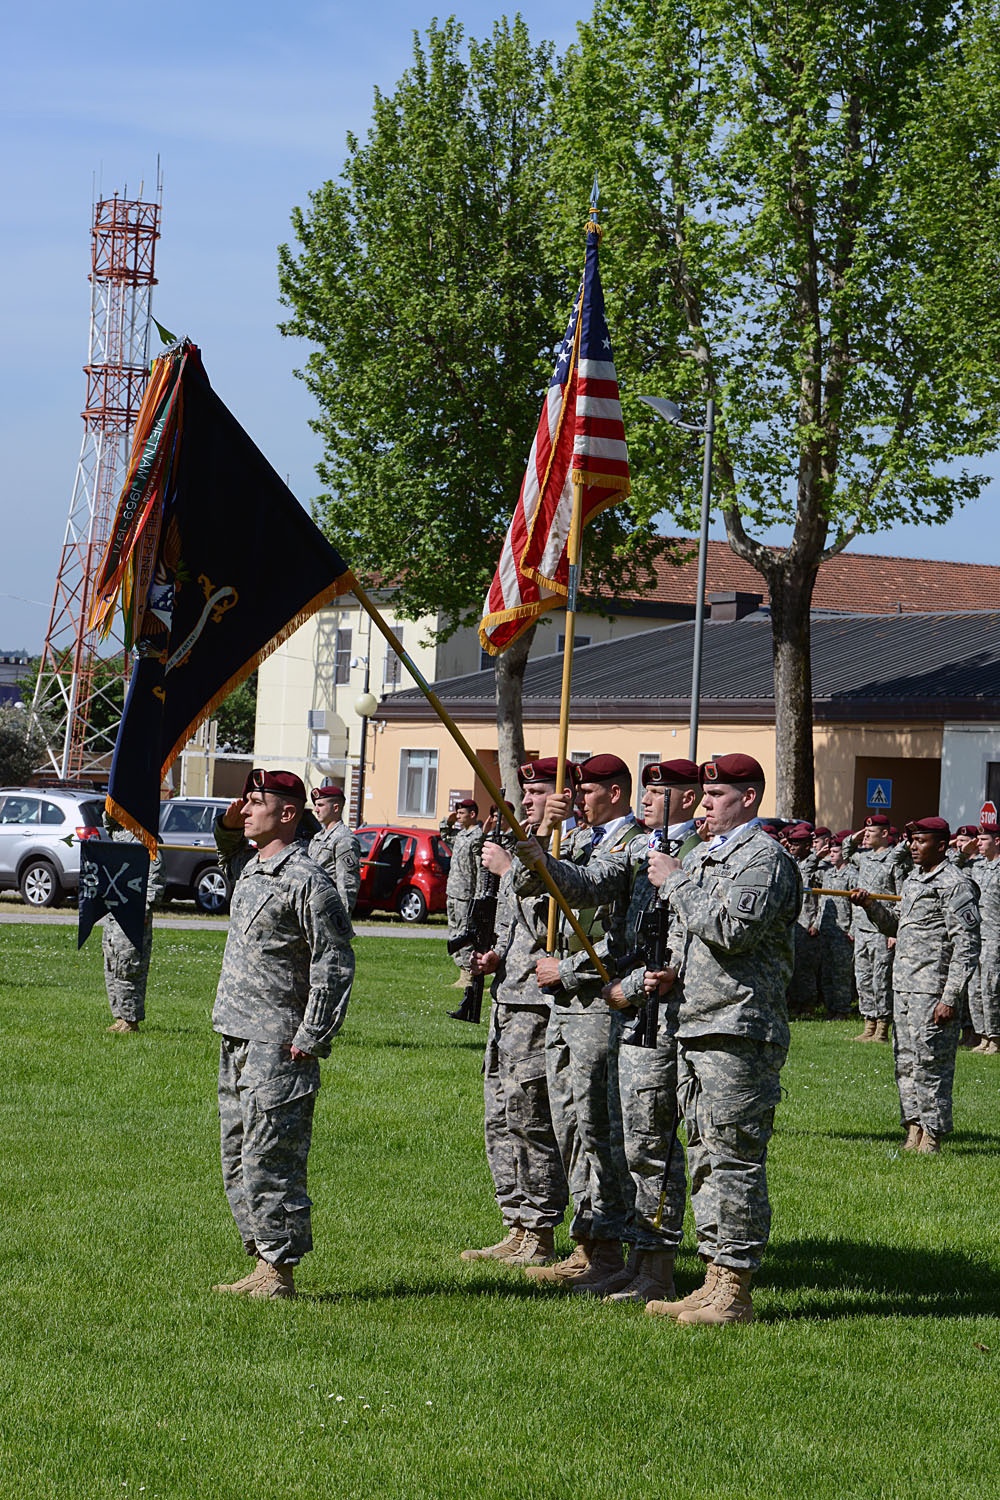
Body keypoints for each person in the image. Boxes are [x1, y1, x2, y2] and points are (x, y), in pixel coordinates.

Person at [644, 753, 800, 1325]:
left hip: (740, 1027)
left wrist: (678, 882)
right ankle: (713, 1277)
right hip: (698, 1021)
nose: (704, 805)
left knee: (734, 1157)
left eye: (718, 796)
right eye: (704, 796)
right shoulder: (708, 859)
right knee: (704, 1154)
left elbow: (733, 931)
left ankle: (735, 1289)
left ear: (750, 798)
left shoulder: (764, 858)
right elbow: (698, 941)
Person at [210, 769, 355, 1299]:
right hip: (236, 1033)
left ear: (288, 813)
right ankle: (259, 1256)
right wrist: (238, 806)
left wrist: (313, 1033)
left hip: (279, 1040)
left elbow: (334, 963)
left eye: (257, 802)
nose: (245, 810)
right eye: (245, 803)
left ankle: (279, 1270)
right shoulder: (250, 866)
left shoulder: (307, 879)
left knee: (270, 1155)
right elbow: (225, 833)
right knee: (236, 1152)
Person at [514, 753, 644, 1295]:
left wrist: (565, 968)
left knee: (599, 1125)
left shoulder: (634, 846)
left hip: (596, 1000)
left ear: (613, 792)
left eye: (585, 790)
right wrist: (545, 835)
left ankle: (611, 1246)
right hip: (565, 999)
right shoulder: (582, 840)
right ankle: (588, 1239)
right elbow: (528, 886)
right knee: (567, 1122)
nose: (577, 798)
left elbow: (621, 930)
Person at [460, 759, 575, 1267]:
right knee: (501, 1114)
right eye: (524, 792)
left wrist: (516, 868)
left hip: (539, 1001)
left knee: (532, 1113)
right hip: (509, 995)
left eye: (536, 792)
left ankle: (540, 1228)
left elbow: (563, 913)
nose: (526, 800)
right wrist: (496, 956)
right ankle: (516, 1218)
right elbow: (514, 925)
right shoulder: (526, 840)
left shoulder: (563, 850)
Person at [850, 816, 980, 1153]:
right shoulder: (912, 880)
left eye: (920, 841)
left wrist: (950, 996)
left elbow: (967, 945)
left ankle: (932, 1135)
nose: (912, 846)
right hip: (904, 987)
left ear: (941, 844)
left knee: (931, 1062)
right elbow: (896, 929)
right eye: (911, 840)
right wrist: (870, 905)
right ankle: (913, 1129)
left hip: (933, 990)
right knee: (905, 1061)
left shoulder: (954, 883)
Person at [842, 813, 911, 1042]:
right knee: (862, 977)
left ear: (884, 834)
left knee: (881, 978)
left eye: (871, 832)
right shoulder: (864, 858)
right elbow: (846, 852)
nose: (866, 836)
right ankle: (868, 1024)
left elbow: (901, 896)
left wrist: (896, 932)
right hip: (862, 928)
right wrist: (856, 837)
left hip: (883, 929)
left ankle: (882, 1027)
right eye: (865, 832)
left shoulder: (894, 860)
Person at [101, 814, 164, 1033]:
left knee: (129, 965)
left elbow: (155, 877)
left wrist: (145, 908)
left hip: (133, 911)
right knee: (112, 962)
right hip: (114, 909)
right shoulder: (119, 833)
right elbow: (108, 821)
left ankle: (130, 1020)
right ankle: (119, 1016)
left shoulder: (146, 838)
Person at [443, 800, 485, 988]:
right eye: (457, 813)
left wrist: (478, 894)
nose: (458, 816)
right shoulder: (461, 834)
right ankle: (461, 971)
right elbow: (444, 835)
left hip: (467, 893)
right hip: (453, 891)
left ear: (473, 814)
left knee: (464, 933)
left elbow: (479, 867)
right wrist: (448, 821)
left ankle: (468, 974)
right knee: (454, 931)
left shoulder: (478, 836)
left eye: (461, 813)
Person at [308, 782, 362, 920]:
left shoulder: (344, 839)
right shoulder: (318, 837)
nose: (315, 809)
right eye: (316, 805)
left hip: (328, 912)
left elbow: (347, 881)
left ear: (336, 808)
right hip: (311, 908)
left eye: (320, 805)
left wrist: (341, 918)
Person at [816, 831, 855, 1017]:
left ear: (844, 853)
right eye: (830, 851)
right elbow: (822, 901)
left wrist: (853, 929)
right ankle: (830, 1006)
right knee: (827, 971)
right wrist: (817, 924)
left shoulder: (852, 875)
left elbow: (858, 906)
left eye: (835, 851)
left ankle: (842, 1009)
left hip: (843, 930)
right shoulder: (828, 874)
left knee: (841, 973)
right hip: (827, 929)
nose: (831, 854)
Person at [970, 821, 1000, 1054]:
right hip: (976, 937)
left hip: (995, 937)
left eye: (983, 840)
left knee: (991, 987)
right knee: (975, 989)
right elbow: (953, 865)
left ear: (997, 841)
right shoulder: (977, 866)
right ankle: (982, 1036)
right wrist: (964, 850)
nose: (978, 843)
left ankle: (996, 1037)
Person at [783, 822, 818, 1014]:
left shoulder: (816, 865)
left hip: (808, 921)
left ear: (807, 845)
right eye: (791, 843)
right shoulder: (793, 862)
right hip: (794, 922)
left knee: (806, 967)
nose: (793, 846)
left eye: (797, 843)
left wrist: (816, 923)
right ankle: (795, 1002)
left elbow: (822, 899)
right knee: (794, 965)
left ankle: (809, 1004)